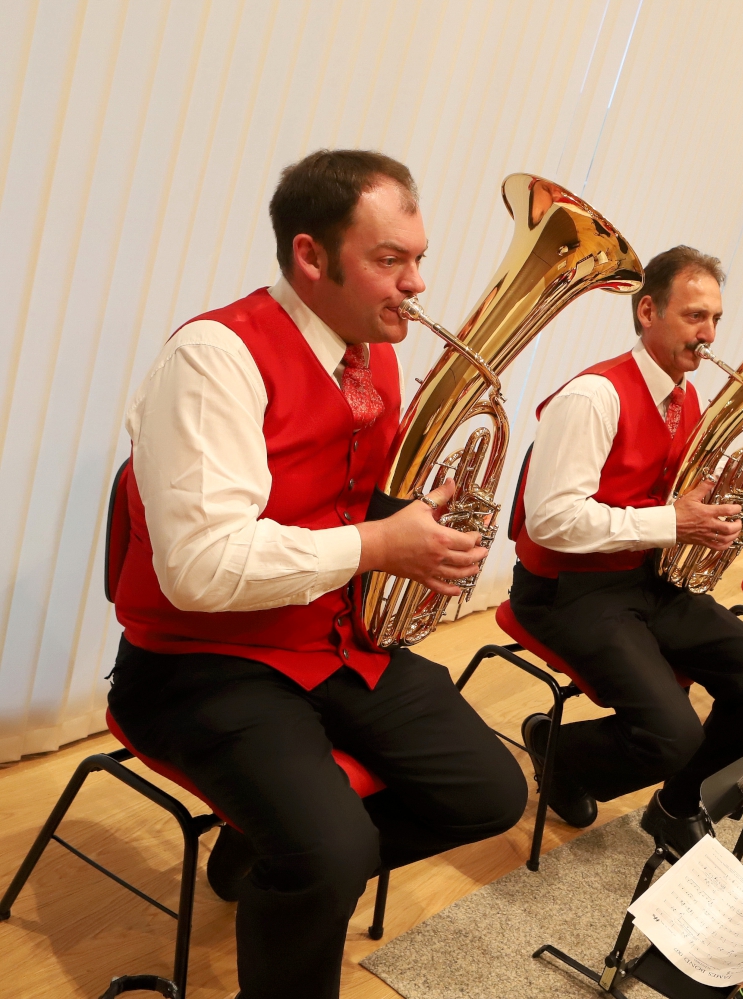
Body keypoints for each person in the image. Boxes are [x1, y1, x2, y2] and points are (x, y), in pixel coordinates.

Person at [108, 150, 530, 999]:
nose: (416, 283)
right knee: (331, 853)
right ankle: (303, 872)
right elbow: (198, 567)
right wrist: (379, 547)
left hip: (333, 637)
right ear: (310, 257)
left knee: (491, 793)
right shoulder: (213, 359)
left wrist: (431, 538)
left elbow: (361, 498)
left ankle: (279, 859)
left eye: (417, 258)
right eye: (389, 260)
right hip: (200, 662)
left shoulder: (372, 351)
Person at [508, 245, 743, 859]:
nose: (709, 334)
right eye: (695, 316)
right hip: (566, 589)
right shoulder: (593, 396)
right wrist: (673, 521)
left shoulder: (685, 398)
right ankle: (557, 751)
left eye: (716, 319)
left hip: (642, 578)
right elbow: (552, 521)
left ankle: (676, 805)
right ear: (647, 312)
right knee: (674, 734)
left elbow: (673, 496)